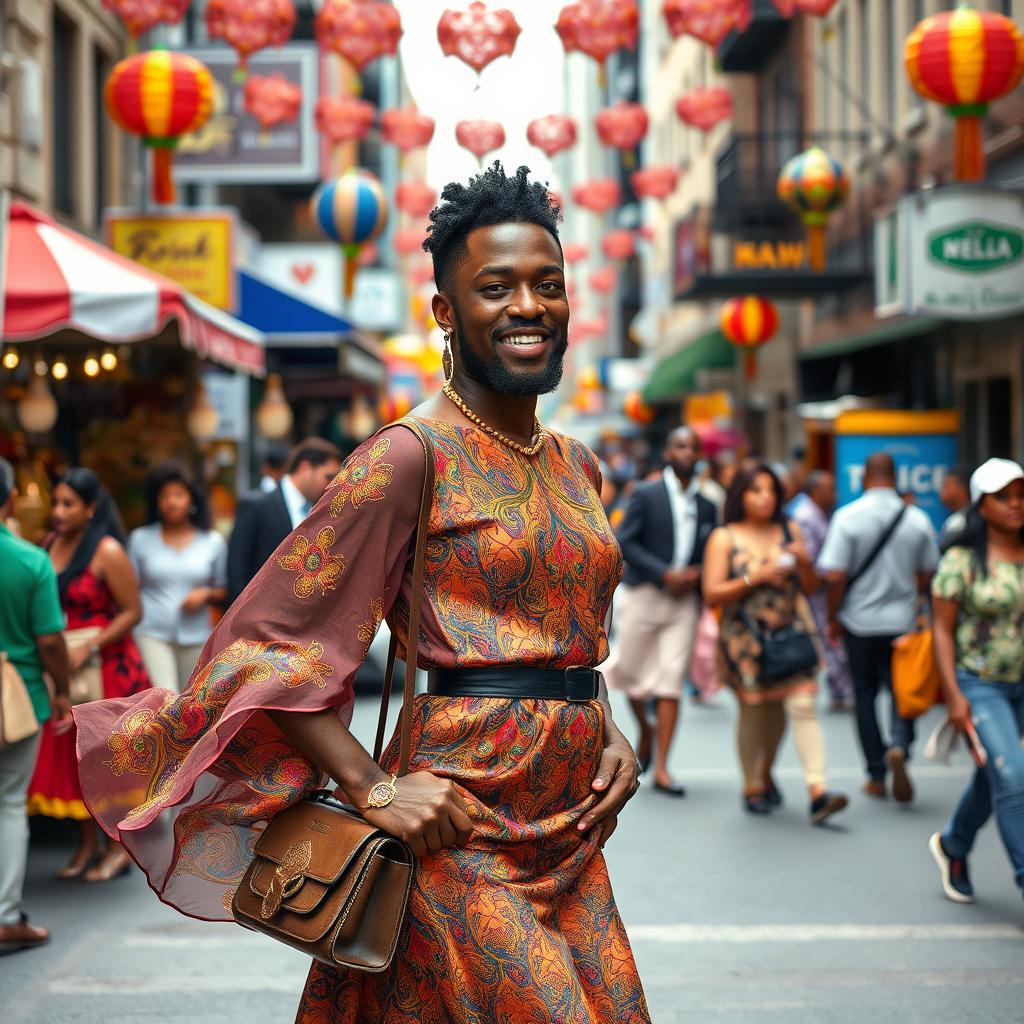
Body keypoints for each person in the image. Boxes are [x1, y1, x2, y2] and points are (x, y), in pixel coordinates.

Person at [73, 162, 649, 1021]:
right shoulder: (407, 456)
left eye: (547, 285)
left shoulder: (578, 464)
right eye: (496, 288)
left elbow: (563, 637)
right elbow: (269, 640)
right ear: (446, 314)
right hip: (459, 826)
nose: (529, 306)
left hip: (572, 830)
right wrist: (373, 789)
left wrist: (607, 730)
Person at [702, 462, 847, 824]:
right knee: (757, 709)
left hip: (792, 631)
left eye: (771, 490)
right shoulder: (725, 536)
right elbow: (711, 593)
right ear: (741, 495)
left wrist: (805, 563)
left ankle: (818, 791)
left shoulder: (790, 529)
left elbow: (811, 588)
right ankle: (754, 782)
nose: (765, 498)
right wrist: (757, 577)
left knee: (800, 705)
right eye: (756, 490)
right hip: (745, 638)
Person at [26, 468, 151, 883]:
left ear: (90, 508)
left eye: (68, 504)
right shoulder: (47, 545)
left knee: (106, 761)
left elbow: (133, 611)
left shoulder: (108, 550)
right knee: (72, 758)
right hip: (65, 665)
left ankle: (118, 849)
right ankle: (86, 844)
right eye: (55, 503)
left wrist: (90, 644)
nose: (58, 512)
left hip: (107, 668)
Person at [929, 458, 1024, 905]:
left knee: (995, 775)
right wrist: (953, 695)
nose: (1015, 504)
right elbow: (942, 631)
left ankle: (954, 845)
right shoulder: (961, 559)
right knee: (1014, 778)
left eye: (1021, 494)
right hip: (981, 683)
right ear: (980, 504)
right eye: (1003, 497)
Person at [819, 453, 939, 802]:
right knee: (905, 689)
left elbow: (835, 575)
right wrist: (915, 599)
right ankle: (900, 744)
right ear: (895, 477)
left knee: (865, 695)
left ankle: (876, 772)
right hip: (902, 622)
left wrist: (832, 616)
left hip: (859, 622)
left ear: (864, 478)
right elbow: (929, 569)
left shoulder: (847, 517)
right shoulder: (916, 519)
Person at [604, 426, 717, 795]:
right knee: (631, 675)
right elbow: (625, 542)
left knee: (670, 682)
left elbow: (711, 551)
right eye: (681, 445)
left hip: (683, 604)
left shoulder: (708, 505)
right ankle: (646, 728)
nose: (688, 452)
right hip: (643, 595)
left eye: (694, 447)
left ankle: (664, 767)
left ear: (700, 456)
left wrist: (698, 572)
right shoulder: (646, 494)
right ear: (669, 452)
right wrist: (663, 572)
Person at [0, 458, 70, 952]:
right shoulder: (29, 561)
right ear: (8, 499)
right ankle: (4, 915)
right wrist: (62, 689)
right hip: (17, 696)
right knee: (8, 804)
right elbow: (49, 640)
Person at [129, 461, 228, 692]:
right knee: (165, 698)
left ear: (192, 499)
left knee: (191, 702)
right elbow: (129, 589)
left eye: (178, 494)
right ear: (156, 501)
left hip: (197, 635)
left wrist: (205, 594)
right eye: (165, 495)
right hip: (151, 633)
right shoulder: (140, 539)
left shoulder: (212, 541)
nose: (172, 501)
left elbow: (224, 589)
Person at [226, 437, 343, 604]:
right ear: (306, 468)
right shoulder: (256, 506)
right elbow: (236, 574)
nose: (331, 485)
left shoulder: (323, 512)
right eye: (329, 477)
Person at [789, 471, 854, 711]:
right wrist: (831, 574)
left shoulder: (818, 514)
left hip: (823, 587)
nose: (834, 495)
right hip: (816, 589)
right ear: (816, 491)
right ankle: (837, 687)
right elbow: (810, 560)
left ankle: (839, 687)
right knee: (826, 637)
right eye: (830, 489)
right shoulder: (806, 517)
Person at [938, 464, 973, 553]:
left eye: (946, 486)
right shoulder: (955, 520)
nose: (941, 491)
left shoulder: (958, 523)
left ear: (962, 488)